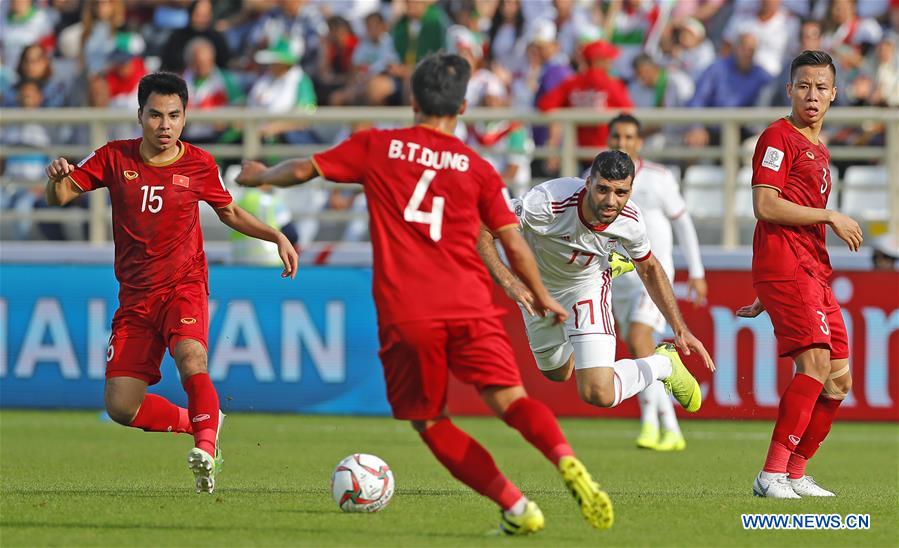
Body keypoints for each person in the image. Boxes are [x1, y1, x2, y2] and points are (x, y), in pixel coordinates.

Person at [236, 53, 613, 536]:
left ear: (412, 101)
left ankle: (517, 507)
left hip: (409, 310)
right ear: (459, 110)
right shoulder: (478, 169)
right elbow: (512, 241)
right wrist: (540, 292)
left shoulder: (378, 145)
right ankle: (565, 460)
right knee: (511, 400)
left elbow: (305, 170)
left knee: (431, 421)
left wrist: (259, 175)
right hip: (471, 305)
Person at [44, 72, 298, 494]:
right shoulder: (113, 157)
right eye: (156, 115)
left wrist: (276, 235)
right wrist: (55, 179)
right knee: (121, 406)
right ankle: (200, 420)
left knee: (191, 357)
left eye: (174, 116)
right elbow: (62, 196)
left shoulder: (199, 164)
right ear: (140, 115)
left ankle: (205, 447)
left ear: (185, 118)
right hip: (136, 300)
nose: (165, 125)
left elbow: (230, 213)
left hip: (184, 285)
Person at [477, 150, 715, 416]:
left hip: (587, 288)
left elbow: (649, 268)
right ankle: (610, 263)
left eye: (621, 193)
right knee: (557, 372)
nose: (610, 201)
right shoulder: (547, 201)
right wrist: (509, 282)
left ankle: (664, 364)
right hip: (538, 291)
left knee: (598, 392)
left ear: (630, 191)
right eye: (602, 189)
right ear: (588, 182)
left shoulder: (631, 222)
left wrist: (679, 328)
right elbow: (482, 227)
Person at [736, 51, 862, 499]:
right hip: (789, 264)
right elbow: (764, 205)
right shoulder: (777, 137)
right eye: (804, 86)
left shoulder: (820, 149)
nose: (812, 95)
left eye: (821, 88)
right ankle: (770, 474)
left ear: (833, 95)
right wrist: (829, 215)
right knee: (814, 364)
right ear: (790, 90)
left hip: (810, 270)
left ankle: (795, 473)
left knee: (840, 379)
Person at [606, 114, 707, 451]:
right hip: (618, 280)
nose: (623, 143)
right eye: (617, 137)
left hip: (652, 277)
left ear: (639, 141)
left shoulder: (657, 178)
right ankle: (671, 428)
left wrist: (697, 271)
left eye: (629, 137)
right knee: (639, 348)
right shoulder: (597, 180)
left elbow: (683, 223)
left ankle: (650, 424)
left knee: (638, 337)